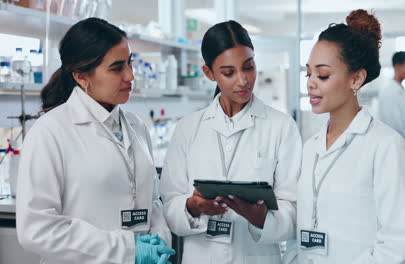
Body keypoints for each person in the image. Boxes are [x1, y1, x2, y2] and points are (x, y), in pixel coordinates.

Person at [16, 18, 174, 264]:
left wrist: (159, 241)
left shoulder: (136, 127)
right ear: (81, 76)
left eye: (130, 63)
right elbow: (36, 229)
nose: (130, 76)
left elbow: (152, 203)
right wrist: (128, 249)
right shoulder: (50, 132)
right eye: (117, 68)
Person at [160, 20, 302, 264]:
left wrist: (261, 218)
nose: (243, 80)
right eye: (228, 73)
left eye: (249, 67)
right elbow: (169, 206)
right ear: (209, 73)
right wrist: (193, 206)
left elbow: (295, 210)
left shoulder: (281, 126)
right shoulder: (188, 128)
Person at [287, 9, 405, 263]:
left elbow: (398, 246)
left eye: (322, 75)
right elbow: (299, 230)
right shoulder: (310, 147)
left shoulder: (386, 146)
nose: (311, 83)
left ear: (356, 78)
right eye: (308, 73)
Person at [378, 51, 405, 162]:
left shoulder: (401, 91)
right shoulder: (390, 92)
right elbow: (396, 127)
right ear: (397, 67)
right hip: (396, 151)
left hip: (403, 149)